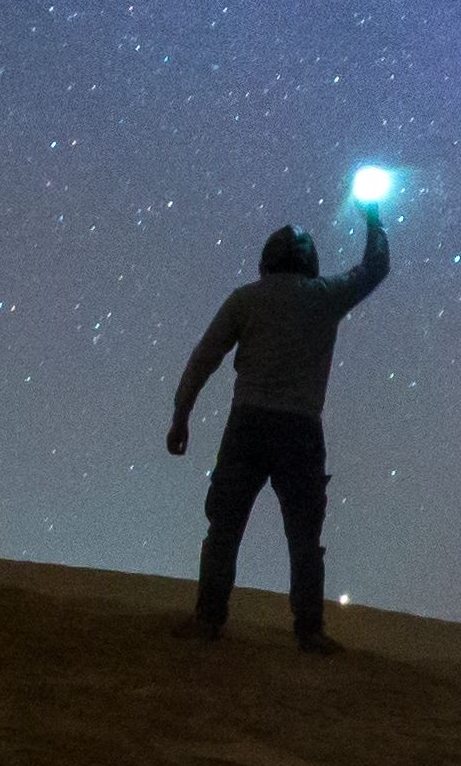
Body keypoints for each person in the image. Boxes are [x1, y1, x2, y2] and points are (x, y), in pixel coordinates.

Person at [166, 204, 390, 649]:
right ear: (309, 261)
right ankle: (309, 630)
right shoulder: (324, 296)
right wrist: (373, 219)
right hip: (301, 430)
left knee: (224, 527)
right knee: (304, 538)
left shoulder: (245, 299)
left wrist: (181, 415)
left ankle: (209, 618)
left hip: (247, 425)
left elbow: (203, 360)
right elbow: (375, 268)